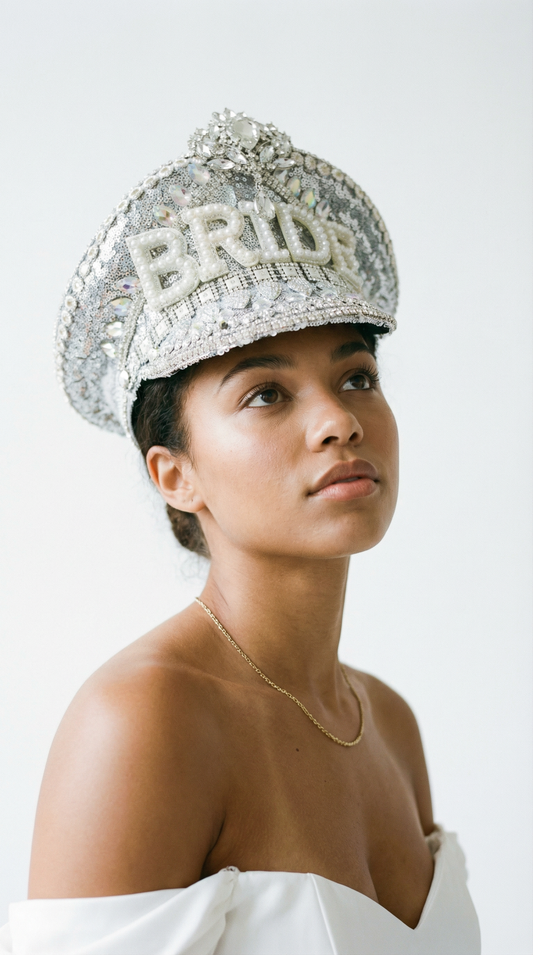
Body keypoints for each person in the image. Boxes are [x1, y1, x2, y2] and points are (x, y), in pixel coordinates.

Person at [0, 110, 480, 954]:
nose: (338, 419)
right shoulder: (143, 721)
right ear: (173, 474)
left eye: (356, 373)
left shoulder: (389, 724)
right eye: (265, 393)